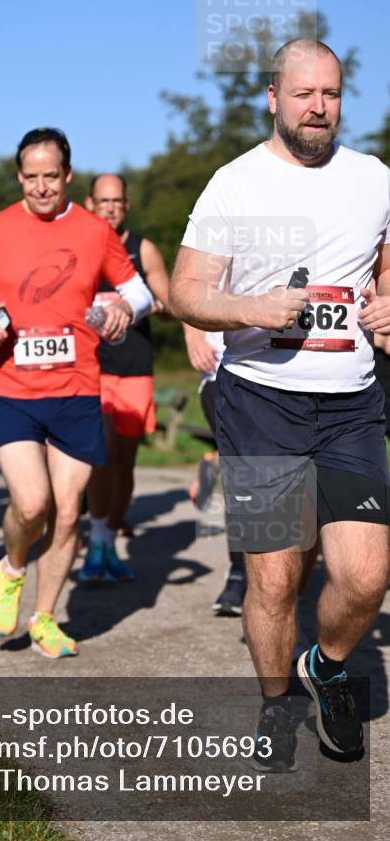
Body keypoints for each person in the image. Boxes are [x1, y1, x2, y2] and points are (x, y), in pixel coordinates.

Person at [169, 38, 390, 769]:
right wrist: (249, 309)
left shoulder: (372, 179)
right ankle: (274, 702)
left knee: (364, 576)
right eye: (302, 95)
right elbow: (184, 293)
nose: (317, 108)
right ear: (272, 98)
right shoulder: (234, 185)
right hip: (260, 401)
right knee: (273, 575)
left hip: (350, 404)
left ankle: (324, 667)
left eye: (328, 94)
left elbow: (386, 278)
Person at [0, 128, 153, 658]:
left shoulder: (93, 231)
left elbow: (138, 291)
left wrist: (125, 310)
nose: (41, 187)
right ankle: (12, 567)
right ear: (19, 177)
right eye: (31, 177)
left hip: (77, 388)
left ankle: (44, 619)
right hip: (10, 386)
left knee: (67, 513)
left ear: (67, 175)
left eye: (51, 176)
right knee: (33, 503)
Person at [78, 173, 170, 583]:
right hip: (91, 368)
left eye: (117, 201)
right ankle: (94, 538)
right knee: (101, 451)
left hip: (133, 366)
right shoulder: (80, 244)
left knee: (124, 461)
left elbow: (170, 301)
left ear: (126, 206)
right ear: (90, 204)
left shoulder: (142, 248)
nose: (110, 207)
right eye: (103, 201)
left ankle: (109, 538)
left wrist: (139, 304)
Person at [184, 327, 247, 615]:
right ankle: (238, 571)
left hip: (282, 368)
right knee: (241, 472)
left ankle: (213, 463)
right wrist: (193, 337)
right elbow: (188, 283)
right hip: (220, 367)